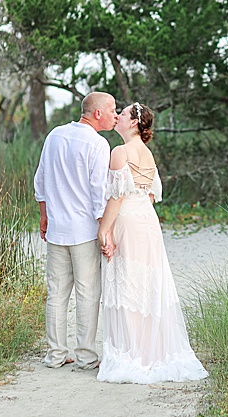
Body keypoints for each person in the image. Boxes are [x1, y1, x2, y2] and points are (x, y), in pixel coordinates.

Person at [96, 102, 208, 384]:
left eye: (121, 115)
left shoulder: (120, 152)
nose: (117, 117)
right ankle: (149, 352)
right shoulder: (147, 154)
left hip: (128, 222)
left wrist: (104, 230)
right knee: (145, 285)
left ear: (133, 123)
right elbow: (150, 196)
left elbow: (116, 196)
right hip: (147, 222)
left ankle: (133, 352)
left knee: (127, 284)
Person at [33, 92, 118, 370]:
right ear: (97, 114)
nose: (115, 115)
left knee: (56, 292)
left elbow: (41, 178)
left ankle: (55, 355)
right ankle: (85, 357)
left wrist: (44, 216)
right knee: (88, 292)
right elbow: (98, 191)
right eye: (112, 110)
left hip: (57, 228)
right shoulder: (98, 143)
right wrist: (104, 230)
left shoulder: (55, 135)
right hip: (83, 230)